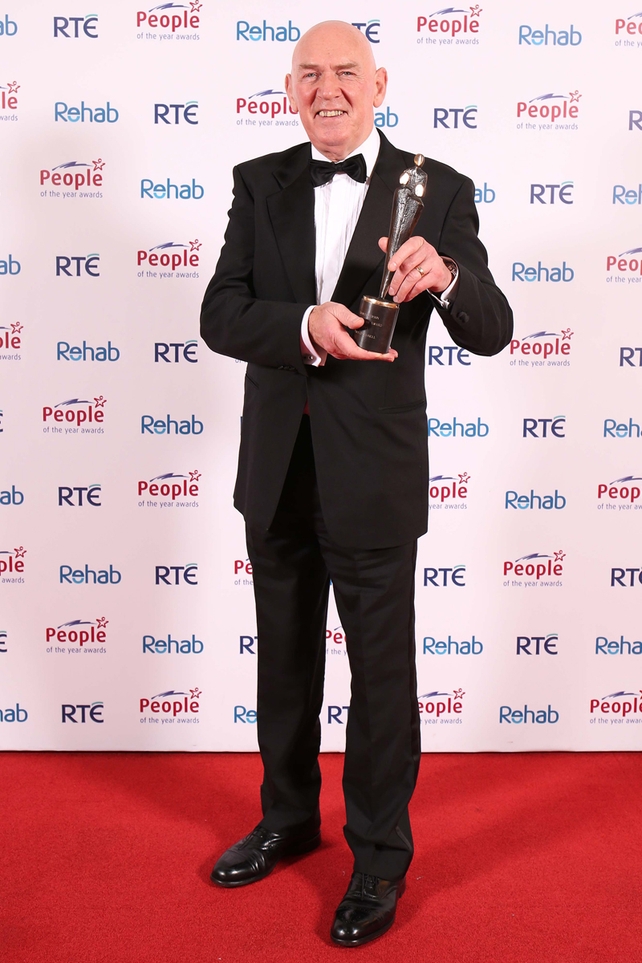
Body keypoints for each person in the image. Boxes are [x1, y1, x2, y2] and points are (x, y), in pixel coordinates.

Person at [200, 20, 512, 947]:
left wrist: (448, 276)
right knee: (283, 660)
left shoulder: (439, 187)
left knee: (381, 678)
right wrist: (303, 323)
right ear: (289, 89)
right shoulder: (259, 180)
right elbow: (221, 311)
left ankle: (378, 858)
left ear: (379, 82)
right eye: (309, 75)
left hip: (373, 475)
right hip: (277, 472)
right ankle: (289, 818)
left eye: (345, 72)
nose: (326, 88)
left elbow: (491, 328)